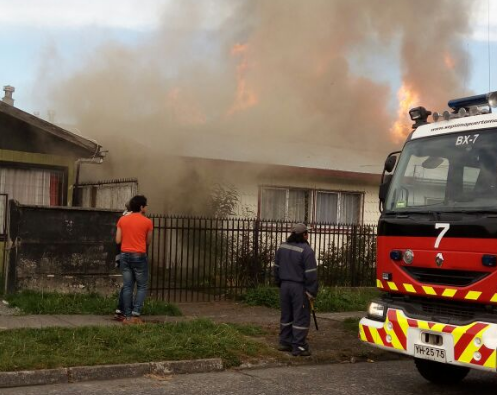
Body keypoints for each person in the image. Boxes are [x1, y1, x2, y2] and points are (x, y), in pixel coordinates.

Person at [273, 223, 318, 357]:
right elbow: (311, 274)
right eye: (307, 233)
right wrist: (311, 292)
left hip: (284, 286)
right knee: (301, 316)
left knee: (286, 315)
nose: (308, 235)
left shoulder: (282, 247)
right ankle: (299, 346)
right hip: (299, 288)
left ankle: (285, 342)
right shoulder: (306, 250)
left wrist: (279, 283)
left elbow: (276, 267)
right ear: (304, 235)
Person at [115, 195, 153, 324]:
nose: (146, 207)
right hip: (139, 255)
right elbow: (148, 241)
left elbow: (118, 240)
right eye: (146, 205)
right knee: (142, 285)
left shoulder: (122, 220)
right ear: (141, 207)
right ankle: (136, 314)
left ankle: (126, 315)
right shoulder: (147, 222)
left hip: (125, 255)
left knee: (127, 286)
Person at [113, 202, 132, 321]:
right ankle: (124, 310)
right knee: (128, 284)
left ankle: (121, 309)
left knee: (127, 283)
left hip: (123, 254)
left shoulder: (123, 219)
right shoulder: (128, 220)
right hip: (128, 254)